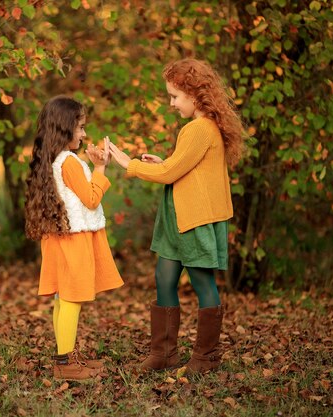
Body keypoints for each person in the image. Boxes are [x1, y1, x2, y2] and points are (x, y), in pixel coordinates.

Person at [108, 58, 246, 374]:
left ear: (195, 94)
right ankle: (164, 355)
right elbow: (183, 168)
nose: (171, 103)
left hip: (193, 219)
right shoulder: (199, 128)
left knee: (202, 282)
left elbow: (171, 172)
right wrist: (162, 163)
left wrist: (130, 163)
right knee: (164, 278)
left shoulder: (199, 128)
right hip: (176, 218)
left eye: (175, 96)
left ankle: (206, 358)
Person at [25, 96, 124, 380]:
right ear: (65, 128)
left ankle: (65, 356)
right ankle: (66, 364)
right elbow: (91, 199)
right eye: (80, 127)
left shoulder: (52, 158)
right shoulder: (68, 162)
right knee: (72, 299)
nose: (83, 134)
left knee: (63, 297)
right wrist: (102, 168)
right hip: (73, 238)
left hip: (60, 236)